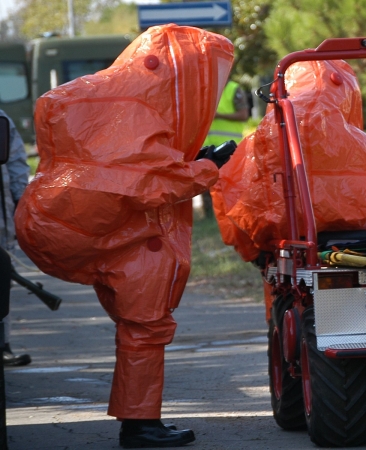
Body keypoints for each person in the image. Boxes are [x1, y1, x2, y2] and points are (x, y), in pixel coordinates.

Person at [15, 25, 234, 447]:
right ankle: (140, 426)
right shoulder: (139, 110)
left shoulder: (104, 95)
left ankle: (141, 422)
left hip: (60, 221)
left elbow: (140, 172)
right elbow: (152, 180)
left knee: (143, 321)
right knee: (145, 325)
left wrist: (198, 163)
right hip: (90, 228)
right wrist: (208, 168)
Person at [0, 108, 32, 367]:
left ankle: (3, 342)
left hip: (1, 218)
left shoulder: (2, 120)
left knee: (2, 280)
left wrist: (20, 199)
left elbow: (16, 162)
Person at [201, 79, 249, 217]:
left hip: (228, 150)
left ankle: (235, 214)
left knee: (230, 187)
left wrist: (218, 115)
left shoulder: (233, 89)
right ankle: (209, 216)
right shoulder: (204, 88)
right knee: (205, 185)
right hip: (207, 147)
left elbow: (243, 115)